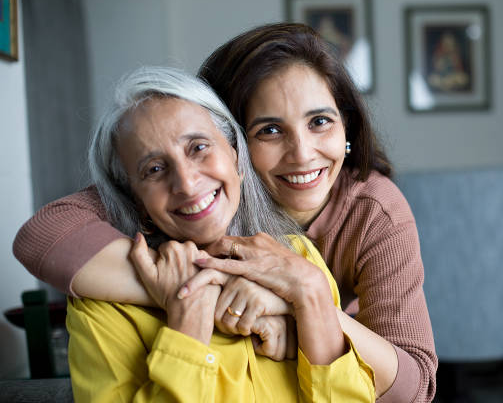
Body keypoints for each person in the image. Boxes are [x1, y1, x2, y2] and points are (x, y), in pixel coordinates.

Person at [14, 23, 436, 402]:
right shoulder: (173, 198)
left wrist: (307, 306)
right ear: (237, 141)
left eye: (320, 121)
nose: (303, 154)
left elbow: (413, 384)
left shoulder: (338, 235)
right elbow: (44, 234)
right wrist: (201, 294)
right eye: (269, 130)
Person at [66, 65, 375, 402]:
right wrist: (188, 324)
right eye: (154, 169)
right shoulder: (102, 308)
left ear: (236, 156)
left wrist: (312, 292)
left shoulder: (299, 259)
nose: (186, 183)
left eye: (198, 148)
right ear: (137, 201)